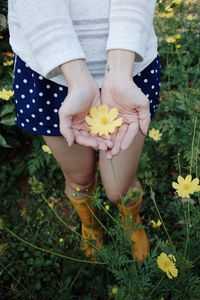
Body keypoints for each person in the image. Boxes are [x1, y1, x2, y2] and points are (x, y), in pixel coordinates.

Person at [8, 0, 160, 263]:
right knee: (79, 179)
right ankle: (89, 224)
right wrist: (75, 76)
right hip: (50, 74)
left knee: (119, 188)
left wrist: (120, 72)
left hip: (129, 70)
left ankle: (131, 222)